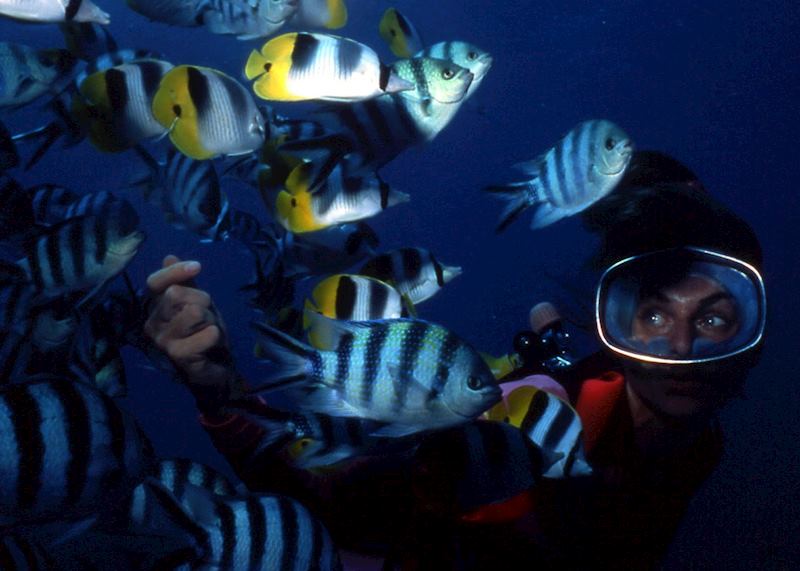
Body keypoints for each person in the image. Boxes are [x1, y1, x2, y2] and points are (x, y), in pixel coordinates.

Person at [142, 152, 766, 569]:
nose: (681, 346)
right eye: (652, 315)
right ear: (614, 321)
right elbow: (340, 508)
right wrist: (221, 395)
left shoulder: (699, 444)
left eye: (715, 318)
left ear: (756, 328)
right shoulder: (545, 420)